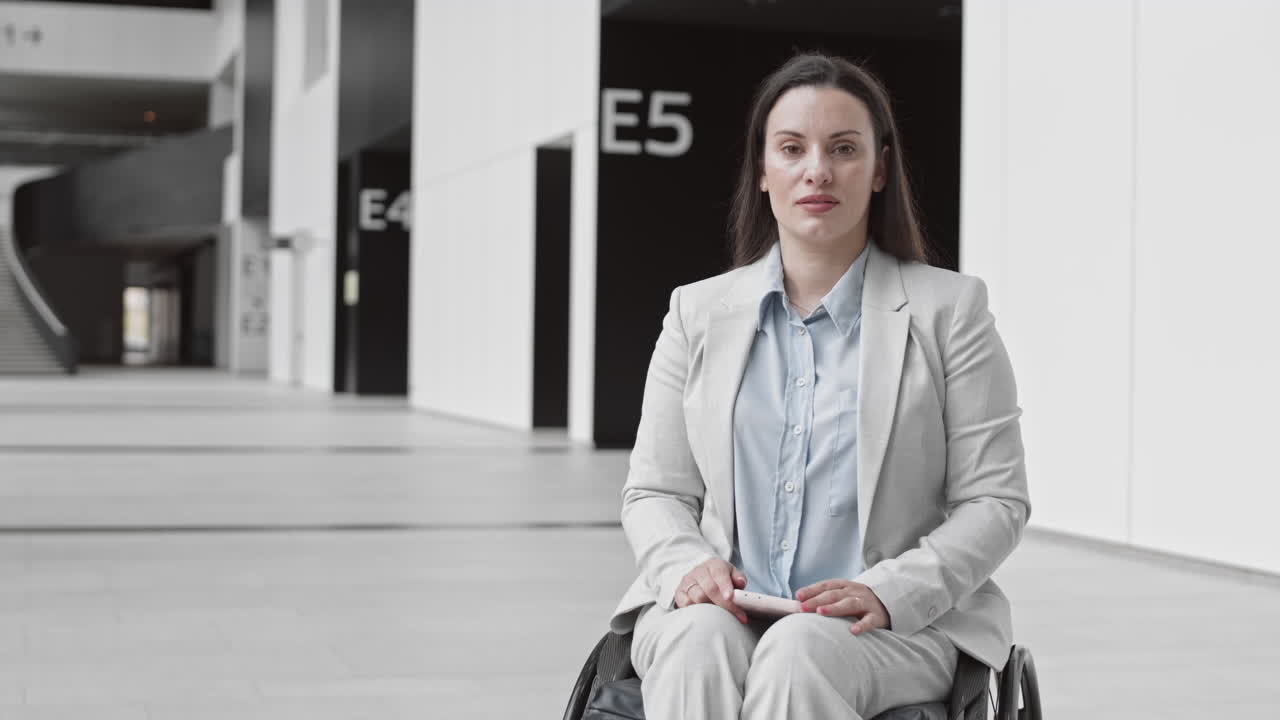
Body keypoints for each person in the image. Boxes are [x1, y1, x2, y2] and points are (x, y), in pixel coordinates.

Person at [607, 53, 1031, 720]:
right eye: (792, 148)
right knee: (695, 641)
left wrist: (891, 590)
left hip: (895, 625)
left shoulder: (952, 311)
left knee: (801, 647)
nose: (818, 170)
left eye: (844, 149)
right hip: (725, 609)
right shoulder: (696, 313)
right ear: (762, 169)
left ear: (881, 169)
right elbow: (655, 489)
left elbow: (995, 500)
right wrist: (687, 562)